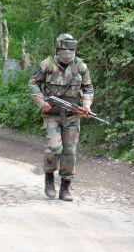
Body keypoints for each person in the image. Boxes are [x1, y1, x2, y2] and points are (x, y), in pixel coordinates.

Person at [27, 34, 94, 202]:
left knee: (70, 151)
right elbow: (33, 83)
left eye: (71, 50)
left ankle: (65, 187)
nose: (68, 53)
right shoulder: (47, 65)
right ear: (58, 49)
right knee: (53, 147)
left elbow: (88, 88)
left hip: (72, 115)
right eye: (65, 49)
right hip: (52, 114)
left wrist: (86, 105)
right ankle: (49, 179)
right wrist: (41, 102)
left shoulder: (80, 66)